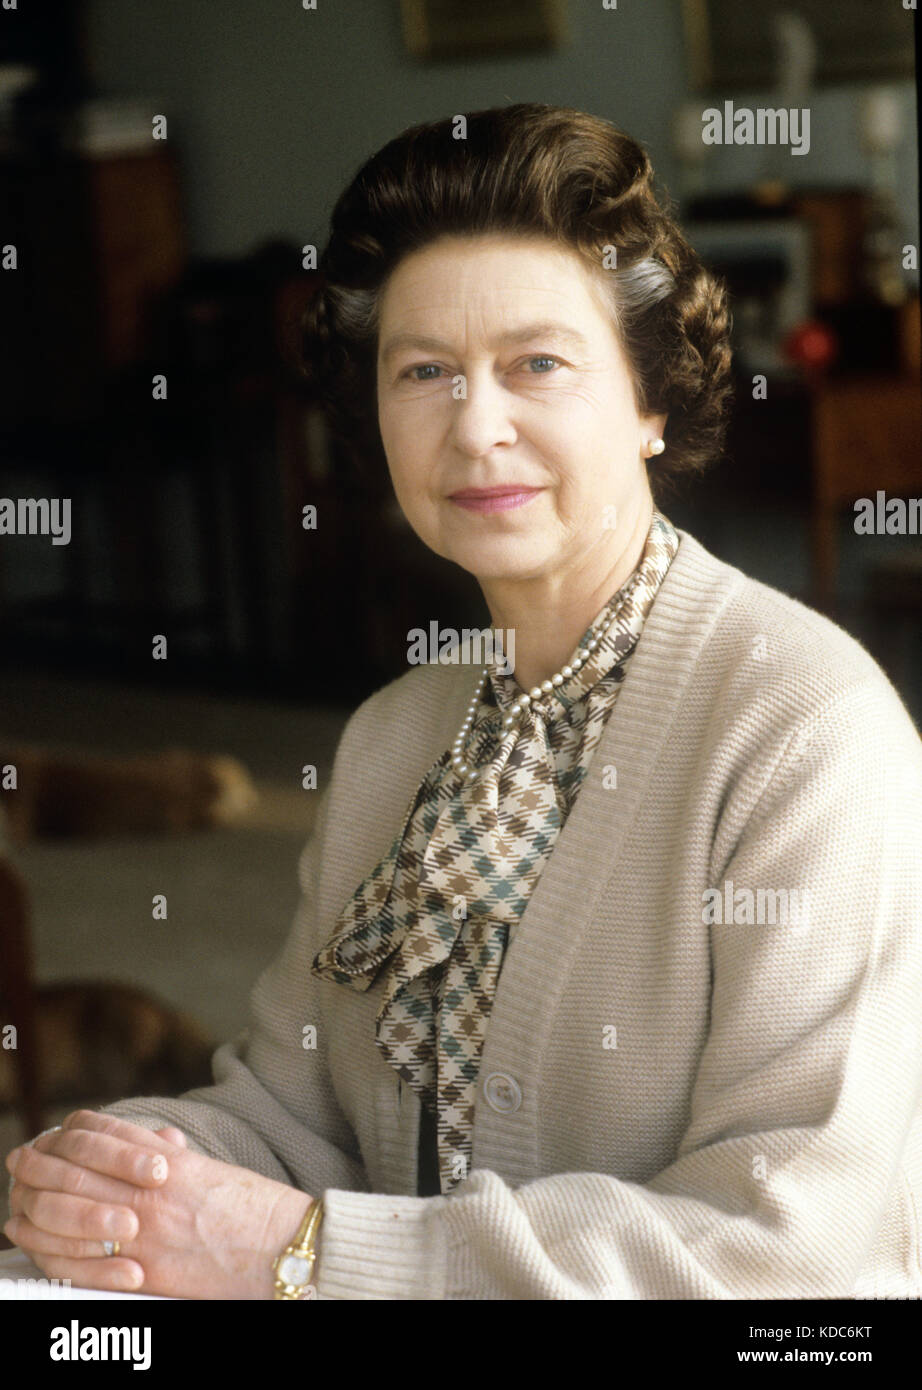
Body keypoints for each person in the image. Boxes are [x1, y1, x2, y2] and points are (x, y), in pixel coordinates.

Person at [4, 103, 922, 1300]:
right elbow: (295, 1113)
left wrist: (306, 1255)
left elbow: (790, 1253)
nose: (475, 426)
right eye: (424, 371)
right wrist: (130, 1173)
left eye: (536, 364)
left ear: (650, 403)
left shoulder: (804, 730)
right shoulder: (392, 737)